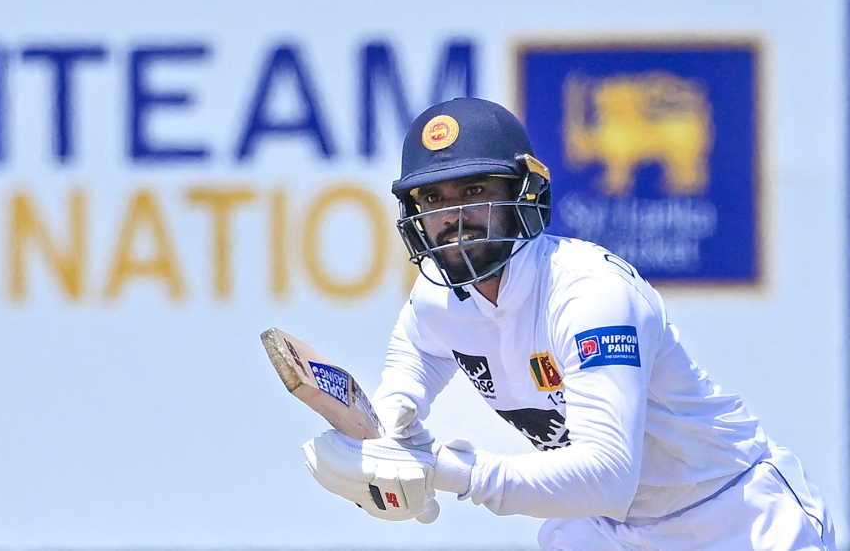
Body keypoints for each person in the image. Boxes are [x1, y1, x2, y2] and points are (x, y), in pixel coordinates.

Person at [301, 97, 835, 551]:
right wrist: (394, 427)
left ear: (521, 195)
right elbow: (412, 364)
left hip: (733, 517)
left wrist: (442, 470)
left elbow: (606, 476)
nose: (453, 217)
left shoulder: (587, 294)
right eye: (434, 198)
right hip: (606, 531)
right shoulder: (436, 300)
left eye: (474, 192)